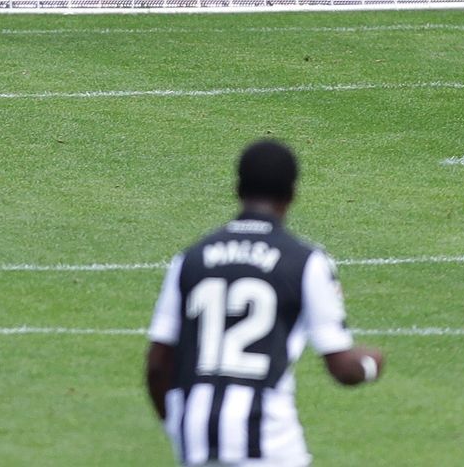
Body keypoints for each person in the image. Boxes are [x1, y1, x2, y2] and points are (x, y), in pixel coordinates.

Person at [146, 140, 382, 467]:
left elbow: (158, 366)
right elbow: (342, 368)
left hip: (197, 437)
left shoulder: (190, 259)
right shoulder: (306, 262)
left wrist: (178, 425)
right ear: (292, 194)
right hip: (269, 442)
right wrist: (371, 364)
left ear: (237, 188)